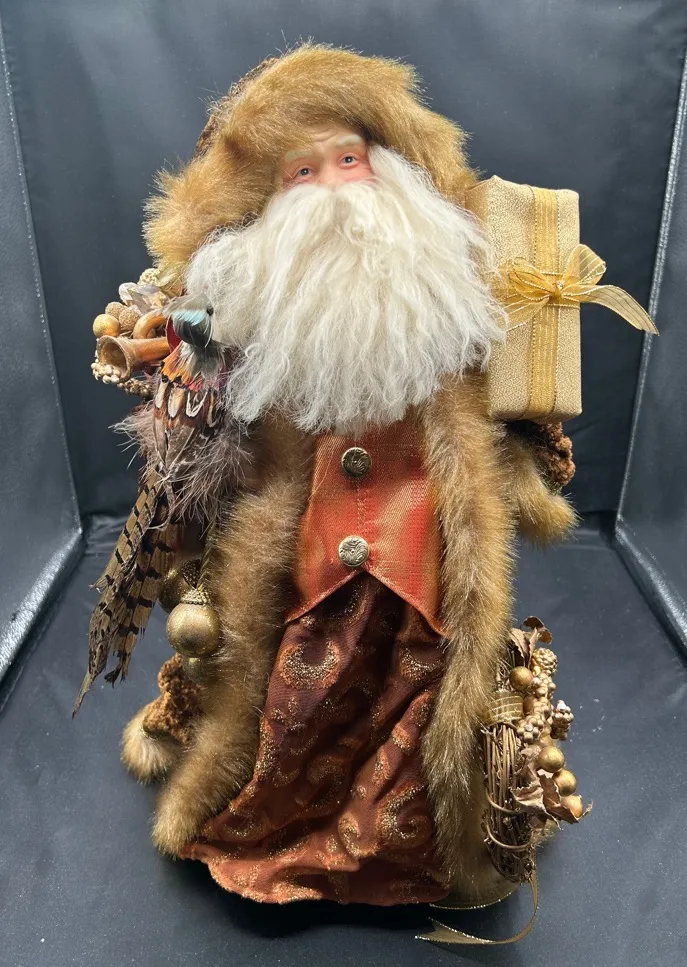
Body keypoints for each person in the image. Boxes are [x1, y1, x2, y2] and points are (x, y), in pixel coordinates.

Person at [83, 44, 576, 907]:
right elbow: (203, 438)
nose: (333, 187)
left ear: (392, 166)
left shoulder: (453, 294)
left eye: (349, 159)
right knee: (291, 703)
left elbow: (510, 413)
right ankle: (287, 820)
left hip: (422, 558)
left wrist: (526, 471)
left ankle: (418, 844)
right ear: (266, 199)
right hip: (306, 559)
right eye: (302, 171)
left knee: (427, 700)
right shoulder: (249, 314)